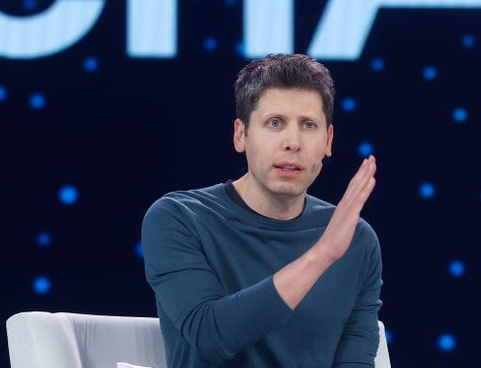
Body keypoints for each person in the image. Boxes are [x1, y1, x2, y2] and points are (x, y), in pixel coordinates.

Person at [141, 53, 381, 367]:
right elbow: (209, 336)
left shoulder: (356, 241)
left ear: (328, 140)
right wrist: (321, 256)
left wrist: (332, 248)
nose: (292, 142)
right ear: (241, 135)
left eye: (308, 125)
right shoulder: (178, 218)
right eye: (275, 123)